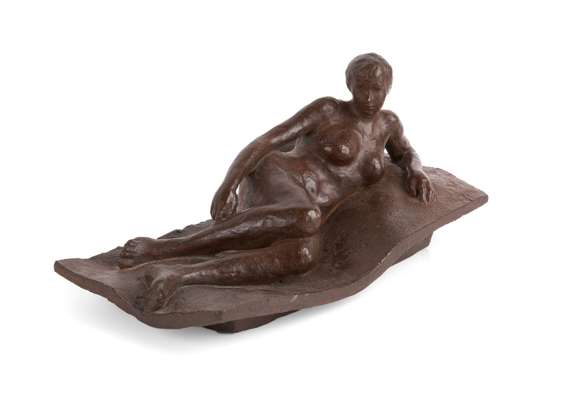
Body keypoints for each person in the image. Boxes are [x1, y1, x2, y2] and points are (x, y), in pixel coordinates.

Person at [119, 53, 436, 311]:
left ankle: (178, 276)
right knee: (306, 216)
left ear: (388, 88)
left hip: (308, 212)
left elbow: (406, 153)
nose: (368, 97)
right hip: (278, 175)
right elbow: (266, 142)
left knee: (302, 256)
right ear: (349, 85)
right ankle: (163, 249)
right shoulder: (328, 109)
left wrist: (415, 170)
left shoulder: (388, 124)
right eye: (361, 87)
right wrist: (229, 185)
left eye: (376, 89)